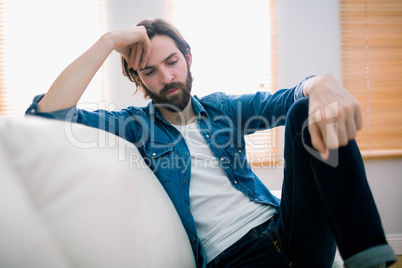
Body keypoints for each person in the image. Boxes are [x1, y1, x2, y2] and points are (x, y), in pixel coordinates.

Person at [26, 18, 396, 268]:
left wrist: (320, 83)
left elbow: (287, 101)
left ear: (187, 59)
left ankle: (369, 258)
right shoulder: (133, 126)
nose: (167, 77)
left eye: (172, 62)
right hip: (233, 257)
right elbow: (48, 117)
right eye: (150, 71)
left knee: (306, 111)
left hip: (289, 229)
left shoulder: (222, 109)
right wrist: (107, 42)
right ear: (138, 79)